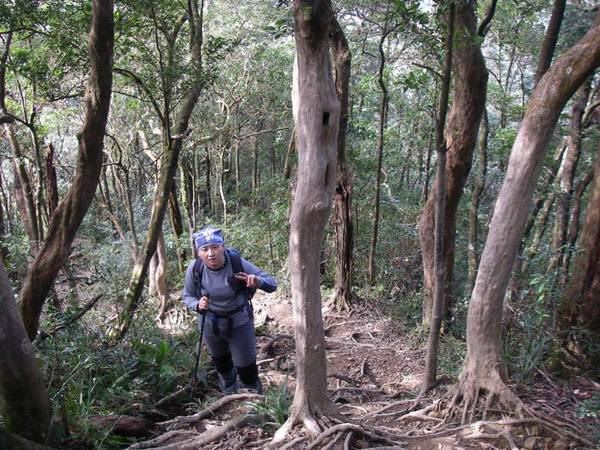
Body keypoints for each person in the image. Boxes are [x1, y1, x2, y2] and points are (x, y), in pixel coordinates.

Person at [182, 226, 277, 394]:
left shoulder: (236, 263)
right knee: (222, 364)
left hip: (239, 322)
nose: (211, 253)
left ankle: (253, 401)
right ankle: (229, 398)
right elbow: (188, 296)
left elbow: (272, 283)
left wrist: (258, 282)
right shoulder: (195, 269)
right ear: (198, 252)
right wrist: (197, 305)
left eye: (215, 247)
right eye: (205, 249)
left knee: (246, 368)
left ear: (223, 247)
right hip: (211, 324)